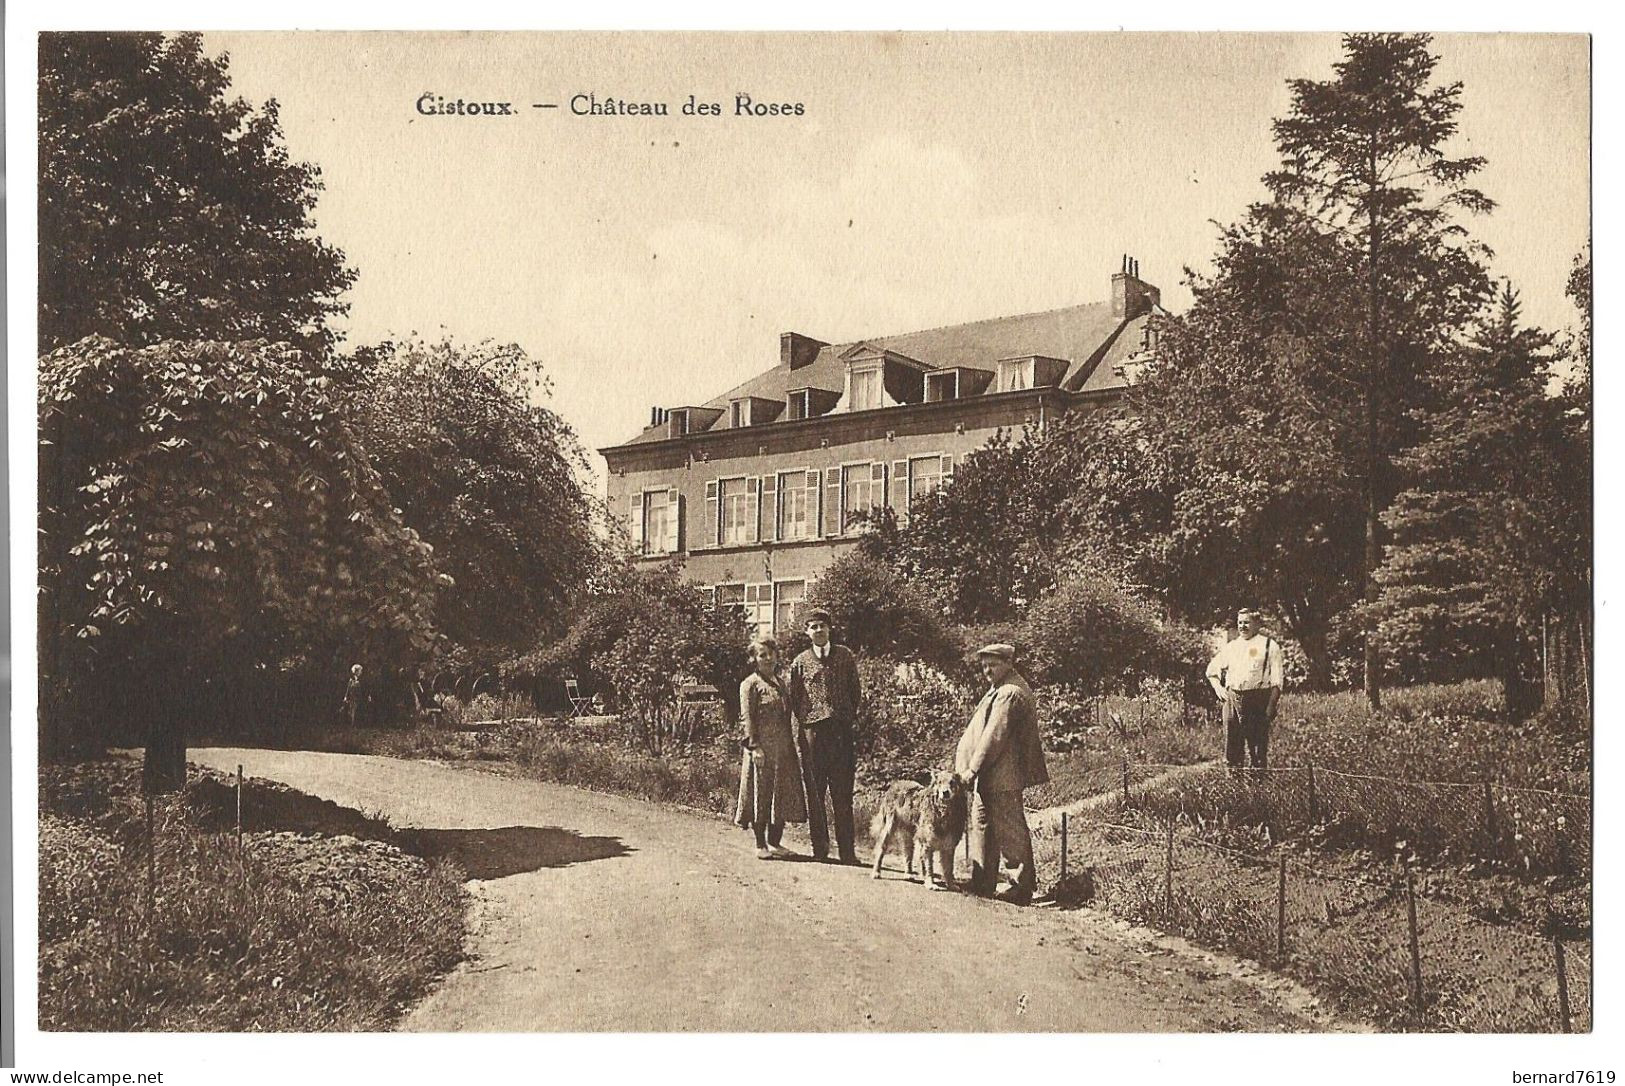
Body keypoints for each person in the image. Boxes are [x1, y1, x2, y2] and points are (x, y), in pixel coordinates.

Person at [954, 644, 1048, 905]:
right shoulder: (999, 689)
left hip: (1003, 773)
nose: (987, 670)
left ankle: (1020, 886)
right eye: (984, 665)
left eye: (992, 664)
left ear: (1008, 662)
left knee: (1009, 828)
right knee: (982, 822)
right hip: (991, 772)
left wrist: (973, 769)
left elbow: (994, 737)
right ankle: (983, 880)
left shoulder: (1010, 693)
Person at [787, 608, 862, 864]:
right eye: (813, 626)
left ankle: (847, 852)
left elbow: (855, 691)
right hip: (813, 735)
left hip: (840, 733)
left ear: (829, 629)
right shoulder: (800, 662)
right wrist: (808, 721)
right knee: (815, 794)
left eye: (822, 626)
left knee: (843, 794)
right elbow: (794, 698)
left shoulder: (845, 656)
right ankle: (820, 850)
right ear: (807, 632)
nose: (818, 630)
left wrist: (845, 716)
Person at [735, 637, 807, 859]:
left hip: (783, 749)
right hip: (762, 749)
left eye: (771, 653)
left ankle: (775, 842)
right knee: (761, 793)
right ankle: (760, 844)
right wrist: (754, 747)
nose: (768, 658)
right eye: (762, 654)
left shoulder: (781, 682)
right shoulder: (750, 684)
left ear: (777, 656)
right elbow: (747, 718)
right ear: (754, 659)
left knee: (781, 793)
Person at [1205, 608, 1285, 769]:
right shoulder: (1232, 646)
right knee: (1232, 747)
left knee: (1257, 749)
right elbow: (1211, 671)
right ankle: (1234, 787)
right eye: (1240, 622)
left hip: (1257, 700)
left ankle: (1258, 786)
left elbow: (1277, 682)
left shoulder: (1269, 645)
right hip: (1233, 699)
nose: (1242, 626)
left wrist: (1270, 707)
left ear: (1257, 624)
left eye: (1246, 622)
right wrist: (1219, 690)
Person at [343, 663, 364, 728]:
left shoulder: (361, 681)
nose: (361, 672)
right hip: (352, 698)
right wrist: (346, 697)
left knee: (357, 711)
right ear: (356, 672)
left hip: (358, 698)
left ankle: (356, 724)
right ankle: (351, 724)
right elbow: (348, 689)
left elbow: (362, 690)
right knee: (351, 711)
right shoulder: (351, 680)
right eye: (360, 671)